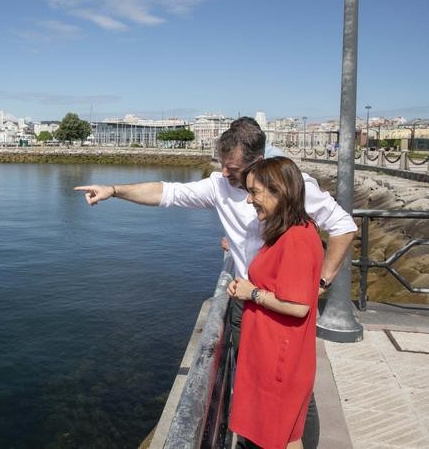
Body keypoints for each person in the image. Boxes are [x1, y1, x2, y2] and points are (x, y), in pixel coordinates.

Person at [74, 118, 357, 448]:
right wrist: (114, 191)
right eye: (223, 165)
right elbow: (169, 192)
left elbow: (342, 226)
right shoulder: (220, 185)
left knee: (292, 391)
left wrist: (321, 281)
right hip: (248, 302)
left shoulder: (292, 186)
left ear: (258, 160)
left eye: (234, 169)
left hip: (278, 306)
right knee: (254, 382)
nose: (225, 174)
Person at [226, 157, 322, 449]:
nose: (249, 200)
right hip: (273, 352)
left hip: (278, 358)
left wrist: (251, 293)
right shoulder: (289, 232)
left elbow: (298, 306)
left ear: (278, 191)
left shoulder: (296, 239)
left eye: (254, 192)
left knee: (275, 433)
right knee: (282, 434)